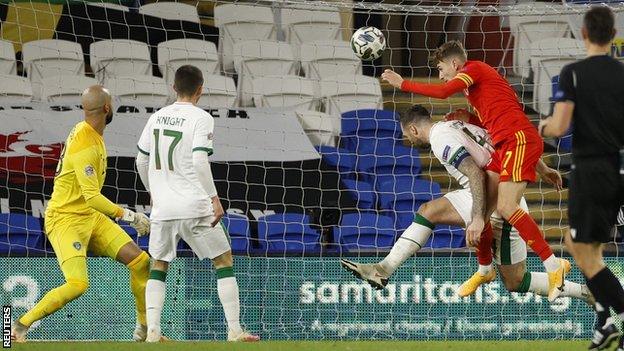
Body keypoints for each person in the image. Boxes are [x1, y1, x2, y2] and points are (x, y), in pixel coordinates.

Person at [341, 105, 592, 304]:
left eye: (407, 135)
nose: (409, 141)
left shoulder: (441, 140)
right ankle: (585, 293)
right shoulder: (456, 125)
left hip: (497, 202)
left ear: (414, 130)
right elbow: (507, 143)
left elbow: (475, 174)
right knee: (429, 212)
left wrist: (478, 217)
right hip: (499, 192)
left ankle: (384, 269)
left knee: (515, 280)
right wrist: (543, 167)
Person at [381, 40, 568, 302]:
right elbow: (496, 121)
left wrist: (404, 84)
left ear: (455, 64)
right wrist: (544, 167)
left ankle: (553, 265)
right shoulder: (479, 90)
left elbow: (445, 92)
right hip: (506, 143)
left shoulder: (475, 69)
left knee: (506, 207)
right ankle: (484, 269)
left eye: (440, 68)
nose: (441, 74)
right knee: (480, 210)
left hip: (517, 140)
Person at [11, 86, 152, 342]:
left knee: (140, 261)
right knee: (78, 284)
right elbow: (93, 197)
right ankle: (19, 325)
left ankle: (144, 330)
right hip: (65, 219)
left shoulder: (87, 129)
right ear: (107, 108)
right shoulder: (86, 144)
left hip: (90, 217)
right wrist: (131, 216)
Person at [135, 65, 259, 342]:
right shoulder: (201, 117)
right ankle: (234, 330)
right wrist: (214, 198)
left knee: (159, 264)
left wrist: (153, 191)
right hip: (194, 204)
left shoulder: (157, 117)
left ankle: (153, 330)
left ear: (173, 88)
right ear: (200, 89)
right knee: (223, 260)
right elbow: (199, 160)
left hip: (163, 208)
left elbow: (141, 161)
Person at [538, 6, 624, 350]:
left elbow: (559, 128)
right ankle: (604, 327)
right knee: (594, 251)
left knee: (577, 248)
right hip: (620, 169)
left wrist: (542, 125)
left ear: (584, 34)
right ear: (612, 33)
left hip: (591, 169)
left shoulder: (573, 73)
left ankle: (616, 315)